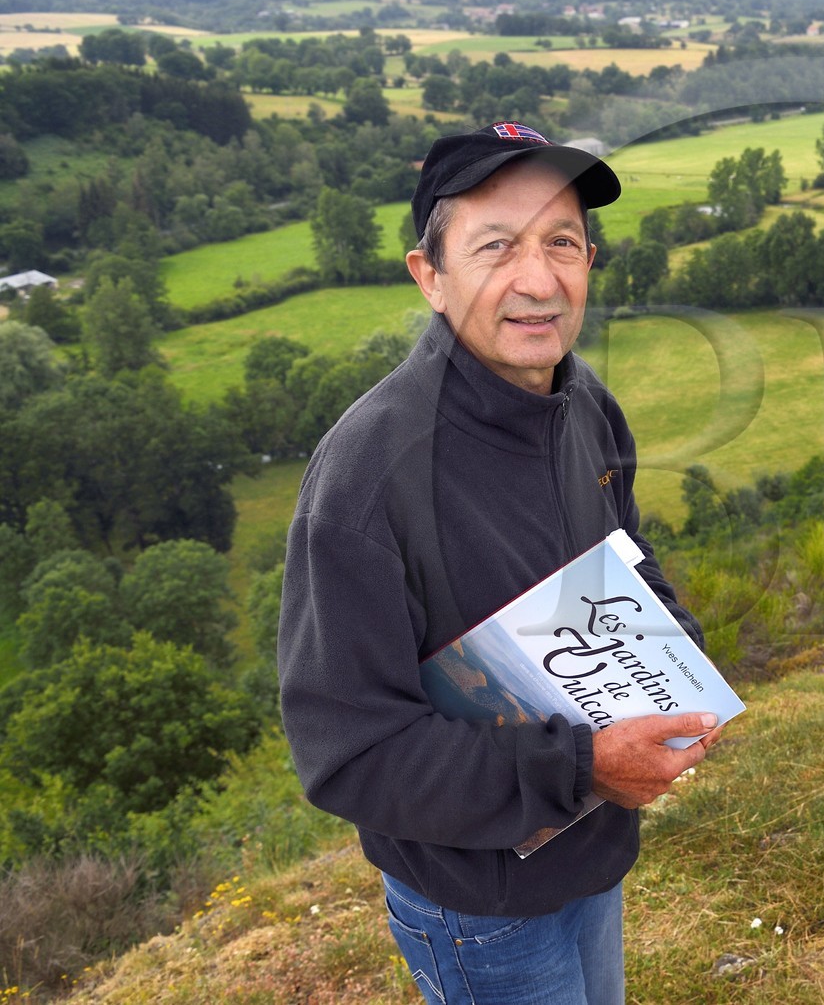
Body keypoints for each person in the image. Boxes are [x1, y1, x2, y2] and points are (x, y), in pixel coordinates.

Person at [277, 121, 724, 1005]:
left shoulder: (584, 402)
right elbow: (349, 756)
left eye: (563, 242)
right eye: (496, 246)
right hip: (477, 905)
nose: (539, 279)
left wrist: (681, 664)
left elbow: (627, 563)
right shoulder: (368, 480)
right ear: (430, 277)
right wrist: (581, 768)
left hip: (592, 850)